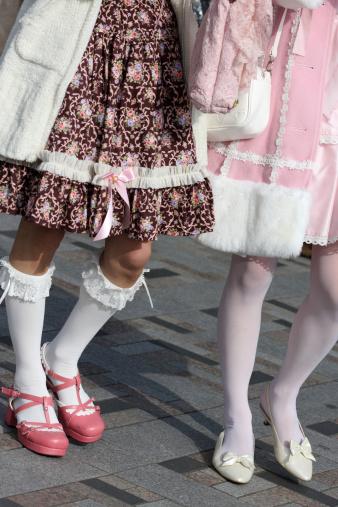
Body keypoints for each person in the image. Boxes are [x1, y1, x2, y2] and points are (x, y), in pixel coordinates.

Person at [0, 0, 214, 457]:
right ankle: (26, 382)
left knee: (134, 250)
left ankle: (61, 358)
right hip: (82, 46)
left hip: (159, 58)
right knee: (45, 221)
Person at [199, 0, 338, 484]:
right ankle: (236, 417)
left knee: (336, 288)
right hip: (287, 85)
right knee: (254, 268)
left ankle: (282, 395)